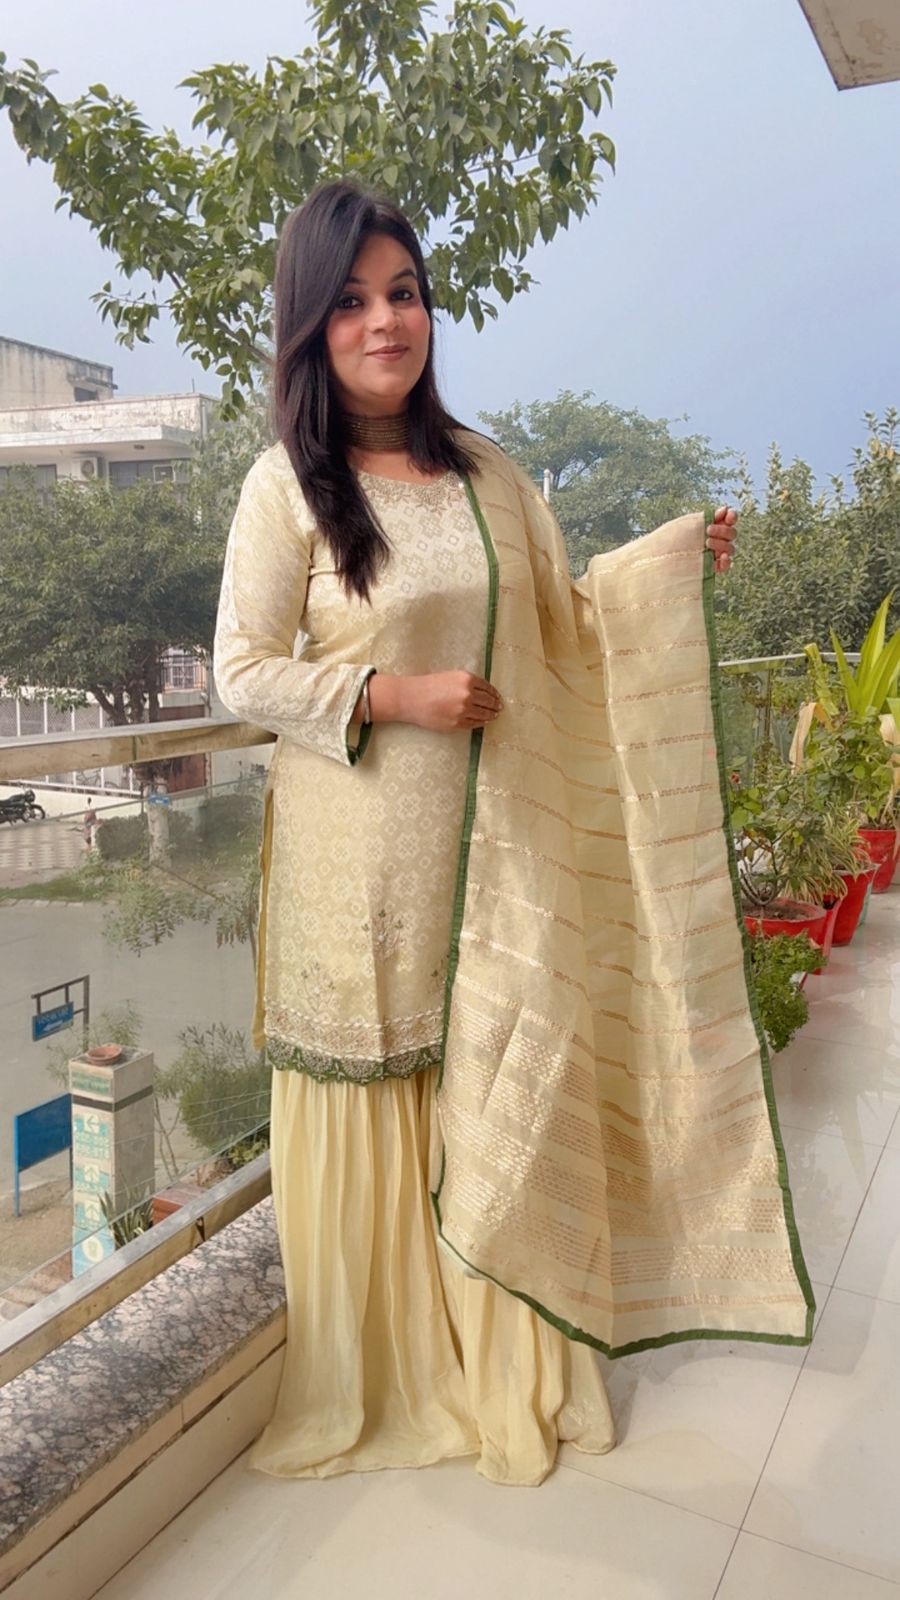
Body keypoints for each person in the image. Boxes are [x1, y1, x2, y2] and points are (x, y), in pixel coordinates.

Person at [214, 181, 812, 1487]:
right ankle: (390, 1377)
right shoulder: (288, 487)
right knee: (383, 1102)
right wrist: (392, 695)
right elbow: (241, 671)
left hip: (493, 856)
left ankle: (505, 1366)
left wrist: (667, 567)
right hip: (354, 865)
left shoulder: (486, 473)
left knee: (499, 1088)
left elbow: (566, 622)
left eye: (404, 294)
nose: (386, 322)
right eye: (352, 302)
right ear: (311, 327)